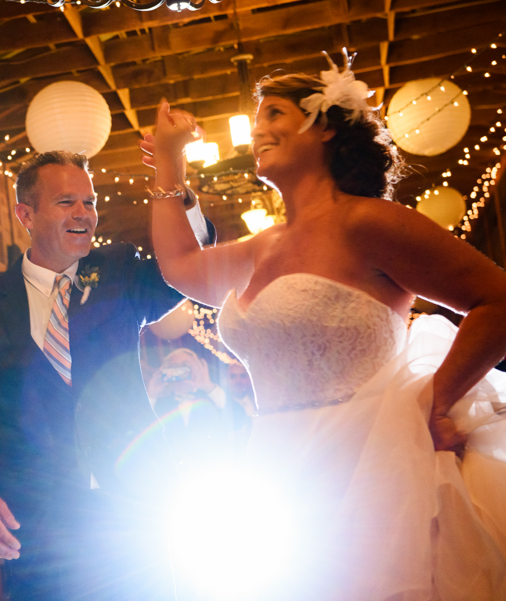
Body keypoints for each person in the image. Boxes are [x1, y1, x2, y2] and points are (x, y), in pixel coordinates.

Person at [142, 50, 506, 600]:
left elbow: (496, 300)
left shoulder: (368, 222)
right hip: (275, 474)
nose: (259, 130)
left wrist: (436, 402)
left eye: (275, 114)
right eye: (258, 118)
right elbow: (180, 267)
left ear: (327, 129)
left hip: (372, 466)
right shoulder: (263, 246)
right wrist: (169, 163)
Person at [0, 150, 214, 600]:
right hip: (41, 526)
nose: (84, 213)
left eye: (90, 201)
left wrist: (176, 187)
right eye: (67, 202)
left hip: (136, 509)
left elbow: (186, 268)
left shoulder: (120, 272)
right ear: (27, 214)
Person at [146, 348, 248, 477]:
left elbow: (239, 420)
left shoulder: (212, 398)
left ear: (198, 368)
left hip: (214, 474)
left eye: (186, 365)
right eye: (174, 367)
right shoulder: (160, 405)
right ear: (165, 372)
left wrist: (207, 386)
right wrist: (151, 395)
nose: (181, 370)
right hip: (171, 480)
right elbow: (138, 434)